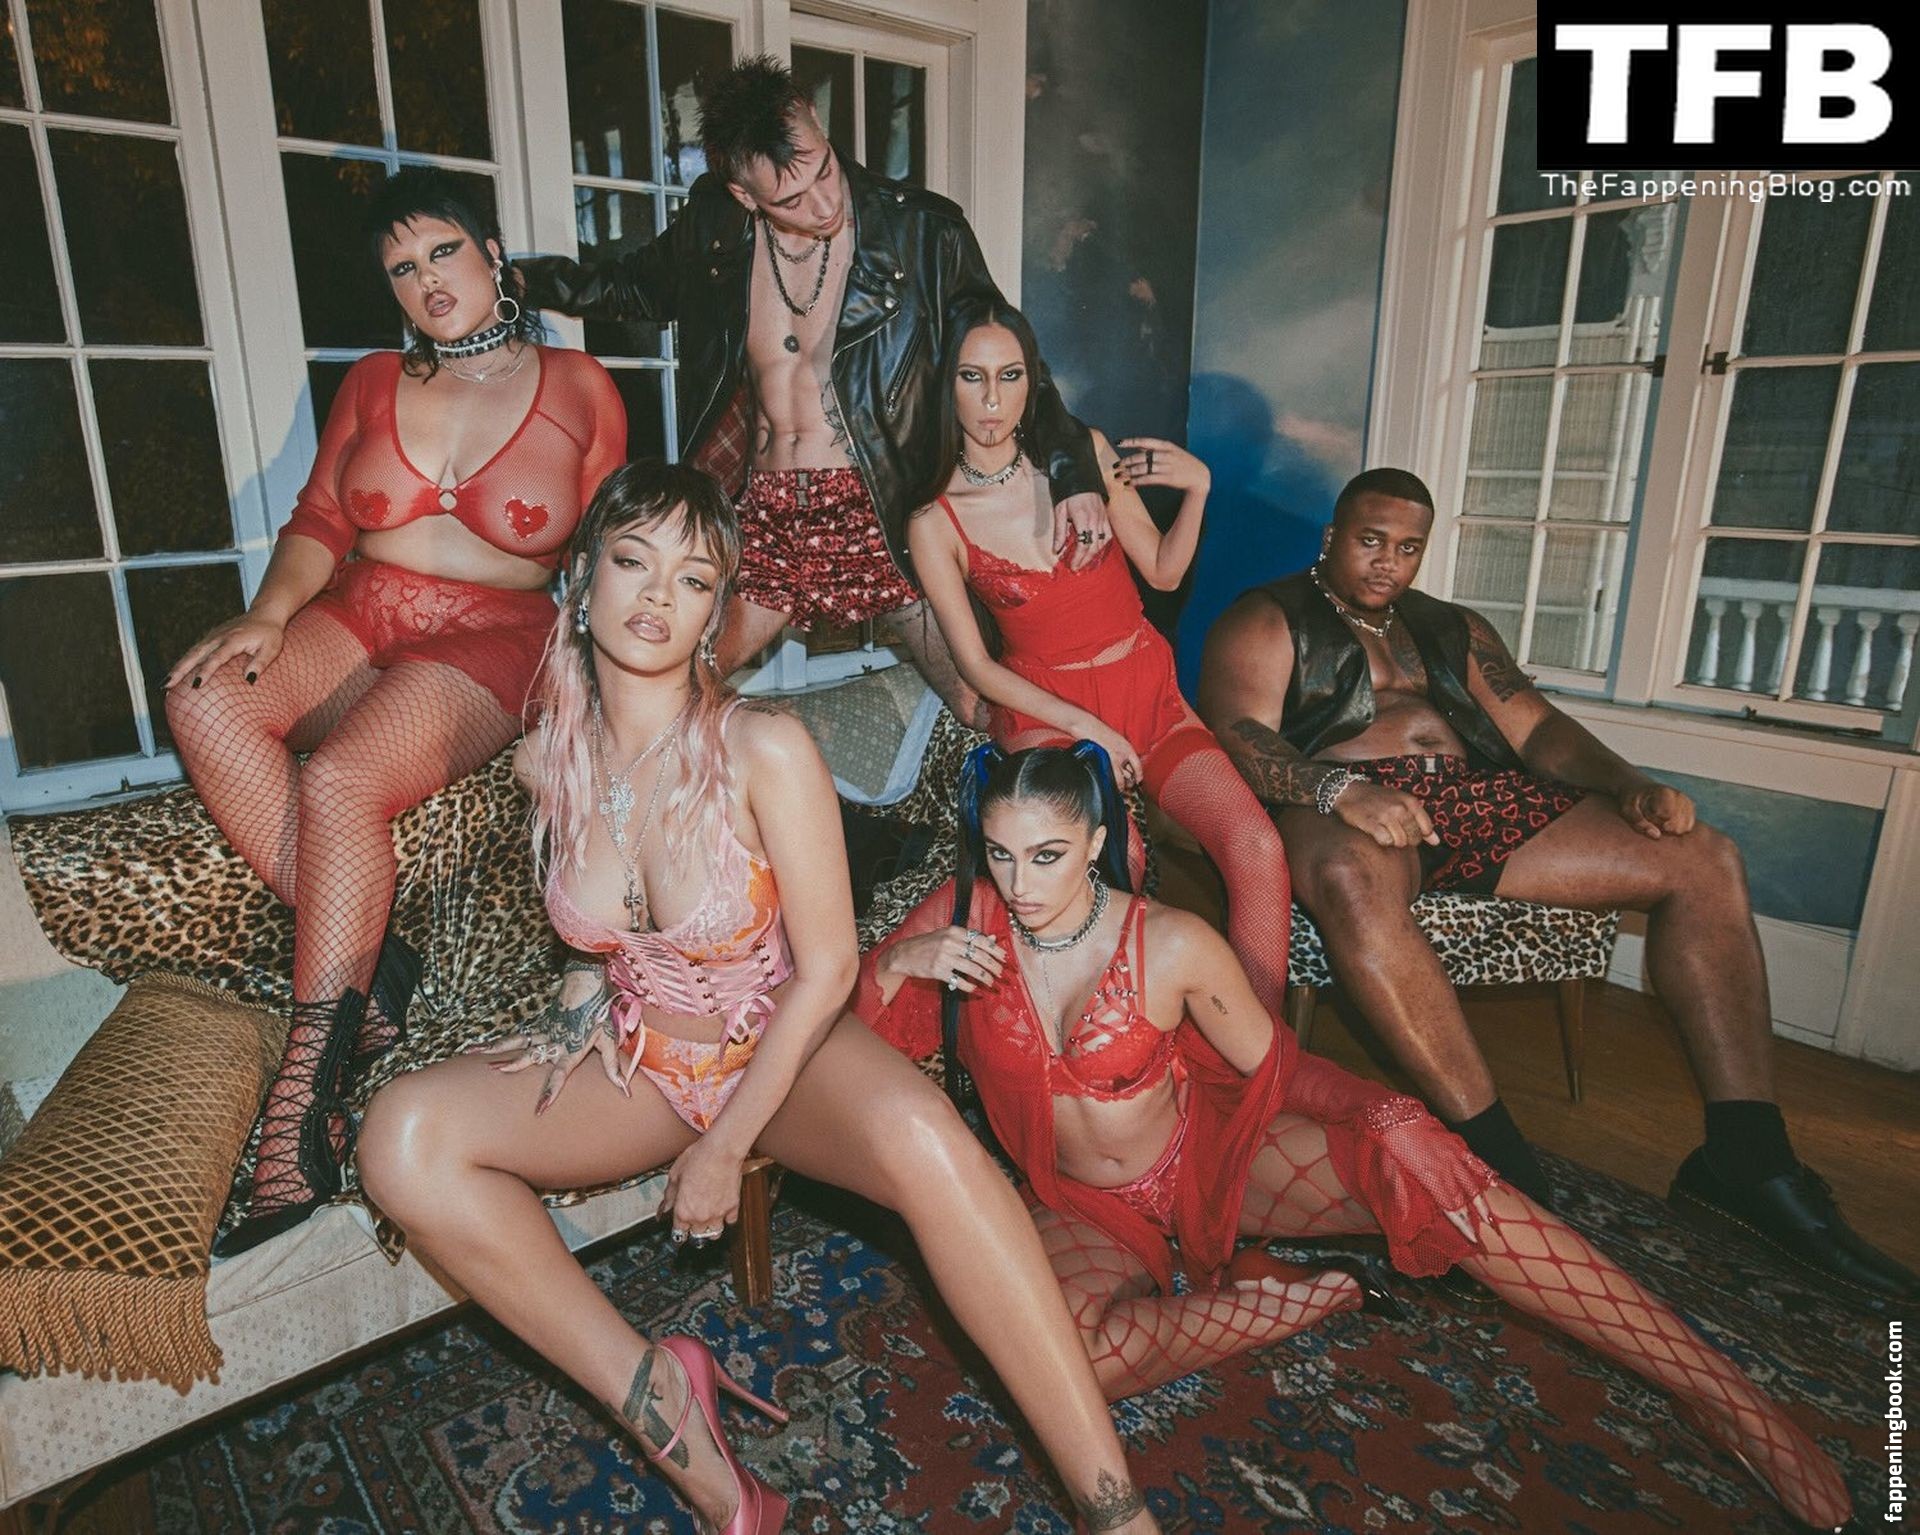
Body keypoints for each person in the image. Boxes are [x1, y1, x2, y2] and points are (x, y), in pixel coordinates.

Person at [355, 462, 1161, 1535]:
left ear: (713, 615)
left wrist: (727, 1144)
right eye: (633, 561)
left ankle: (1118, 1514)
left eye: (693, 579)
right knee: (401, 1137)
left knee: (933, 1145)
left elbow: (827, 971)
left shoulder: (763, 747)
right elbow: (594, 935)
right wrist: (578, 1000)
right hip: (649, 1064)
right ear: (583, 579)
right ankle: (670, 1414)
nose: (658, 594)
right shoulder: (549, 761)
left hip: (780, 1046)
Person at [854, 744, 1855, 1530]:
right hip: (1082, 1202)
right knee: (1064, 1364)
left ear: (1096, 840)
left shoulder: (1170, 941)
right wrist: (899, 961)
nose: (1021, 882)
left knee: (1436, 1173)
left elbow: (1280, 1068)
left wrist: (1388, 1114)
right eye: (1000, 852)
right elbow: (841, 1065)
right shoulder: (962, 919)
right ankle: (1291, 1301)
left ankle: (1725, 1394)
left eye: (1046, 854)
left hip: (1209, 1158)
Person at [1196, 466, 1919, 1314]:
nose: (1388, 561)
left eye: (1408, 547)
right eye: (1370, 540)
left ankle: (1748, 1160)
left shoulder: (1453, 627)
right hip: (1343, 802)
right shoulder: (1267, 618)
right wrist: (1340, 791)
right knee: (1352, 879)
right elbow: (1236, 736)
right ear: (1332, 537)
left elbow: (1537, 729)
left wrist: (1627, 783)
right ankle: (1500, 1166)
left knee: (1704, 857)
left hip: (1475, 796)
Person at [165, 167, 627, 1255]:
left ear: (493, 254)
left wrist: (605, 691)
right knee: (201, 697)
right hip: (359, 609)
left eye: (444, 251)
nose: (427, 281)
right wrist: (268, 615)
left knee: (340, 781)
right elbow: (323, 518)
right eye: (403, 268)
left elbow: (612, 550)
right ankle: (374, 962)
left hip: (496, 634)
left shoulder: (580, 386)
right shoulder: (374, 379)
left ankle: (304, 1107)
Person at [518, 56, 1111, 719]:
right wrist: (519, 281)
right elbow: (628, 287)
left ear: (818, 128)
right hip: (766, 508)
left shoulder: (922, 231)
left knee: (981, 704)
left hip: (880, 506)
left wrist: (1073, 469)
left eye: (824, 171)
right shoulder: (714, 228)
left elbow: (1011, 354)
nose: (825, 204)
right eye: (791, 200)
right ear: (745, 195)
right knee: (677, 687)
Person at [906, 301, 1292, 1013]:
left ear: (1032, 380)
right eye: (971, 376)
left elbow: (1164, 574)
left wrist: (1198, 491)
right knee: (1120, 860)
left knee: (1257, 846)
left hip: (1146, 689)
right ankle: (1106, 1037)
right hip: (1045, 714)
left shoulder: (1083, 452)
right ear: (944, 383)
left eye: (1010, 376)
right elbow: (979, 668)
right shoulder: (933, 518)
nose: (992, 401)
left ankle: (1257, 1046)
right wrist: (1090, 730)